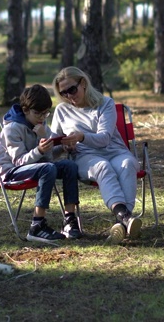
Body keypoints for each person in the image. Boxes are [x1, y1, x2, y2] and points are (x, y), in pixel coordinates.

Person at [50, 66, 141, 245]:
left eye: (72, 90)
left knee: (128, 164)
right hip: (85, 157)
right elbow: (53, 150)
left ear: (83, 83)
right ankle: (126, 218)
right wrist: (63, 146)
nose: (69, 96)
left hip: (114, 151)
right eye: (64, 93)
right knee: (102, 167)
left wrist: (82, 136)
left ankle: (121, 224)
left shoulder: (105, 103)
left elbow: (104, 138)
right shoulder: (61, 110)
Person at [0, 84, 82, 243]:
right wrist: (40, 150)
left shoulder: (41, 126)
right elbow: (19, 161)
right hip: (11, 171)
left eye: (46, 113)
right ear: (25, 110)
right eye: (38, 113)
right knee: (47, 169)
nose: (42, 118)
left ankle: (70, 220)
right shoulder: (12, 129)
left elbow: (48, 157)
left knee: (69, 166)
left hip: (38, 167)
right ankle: (37, 225)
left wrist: (62, 148)